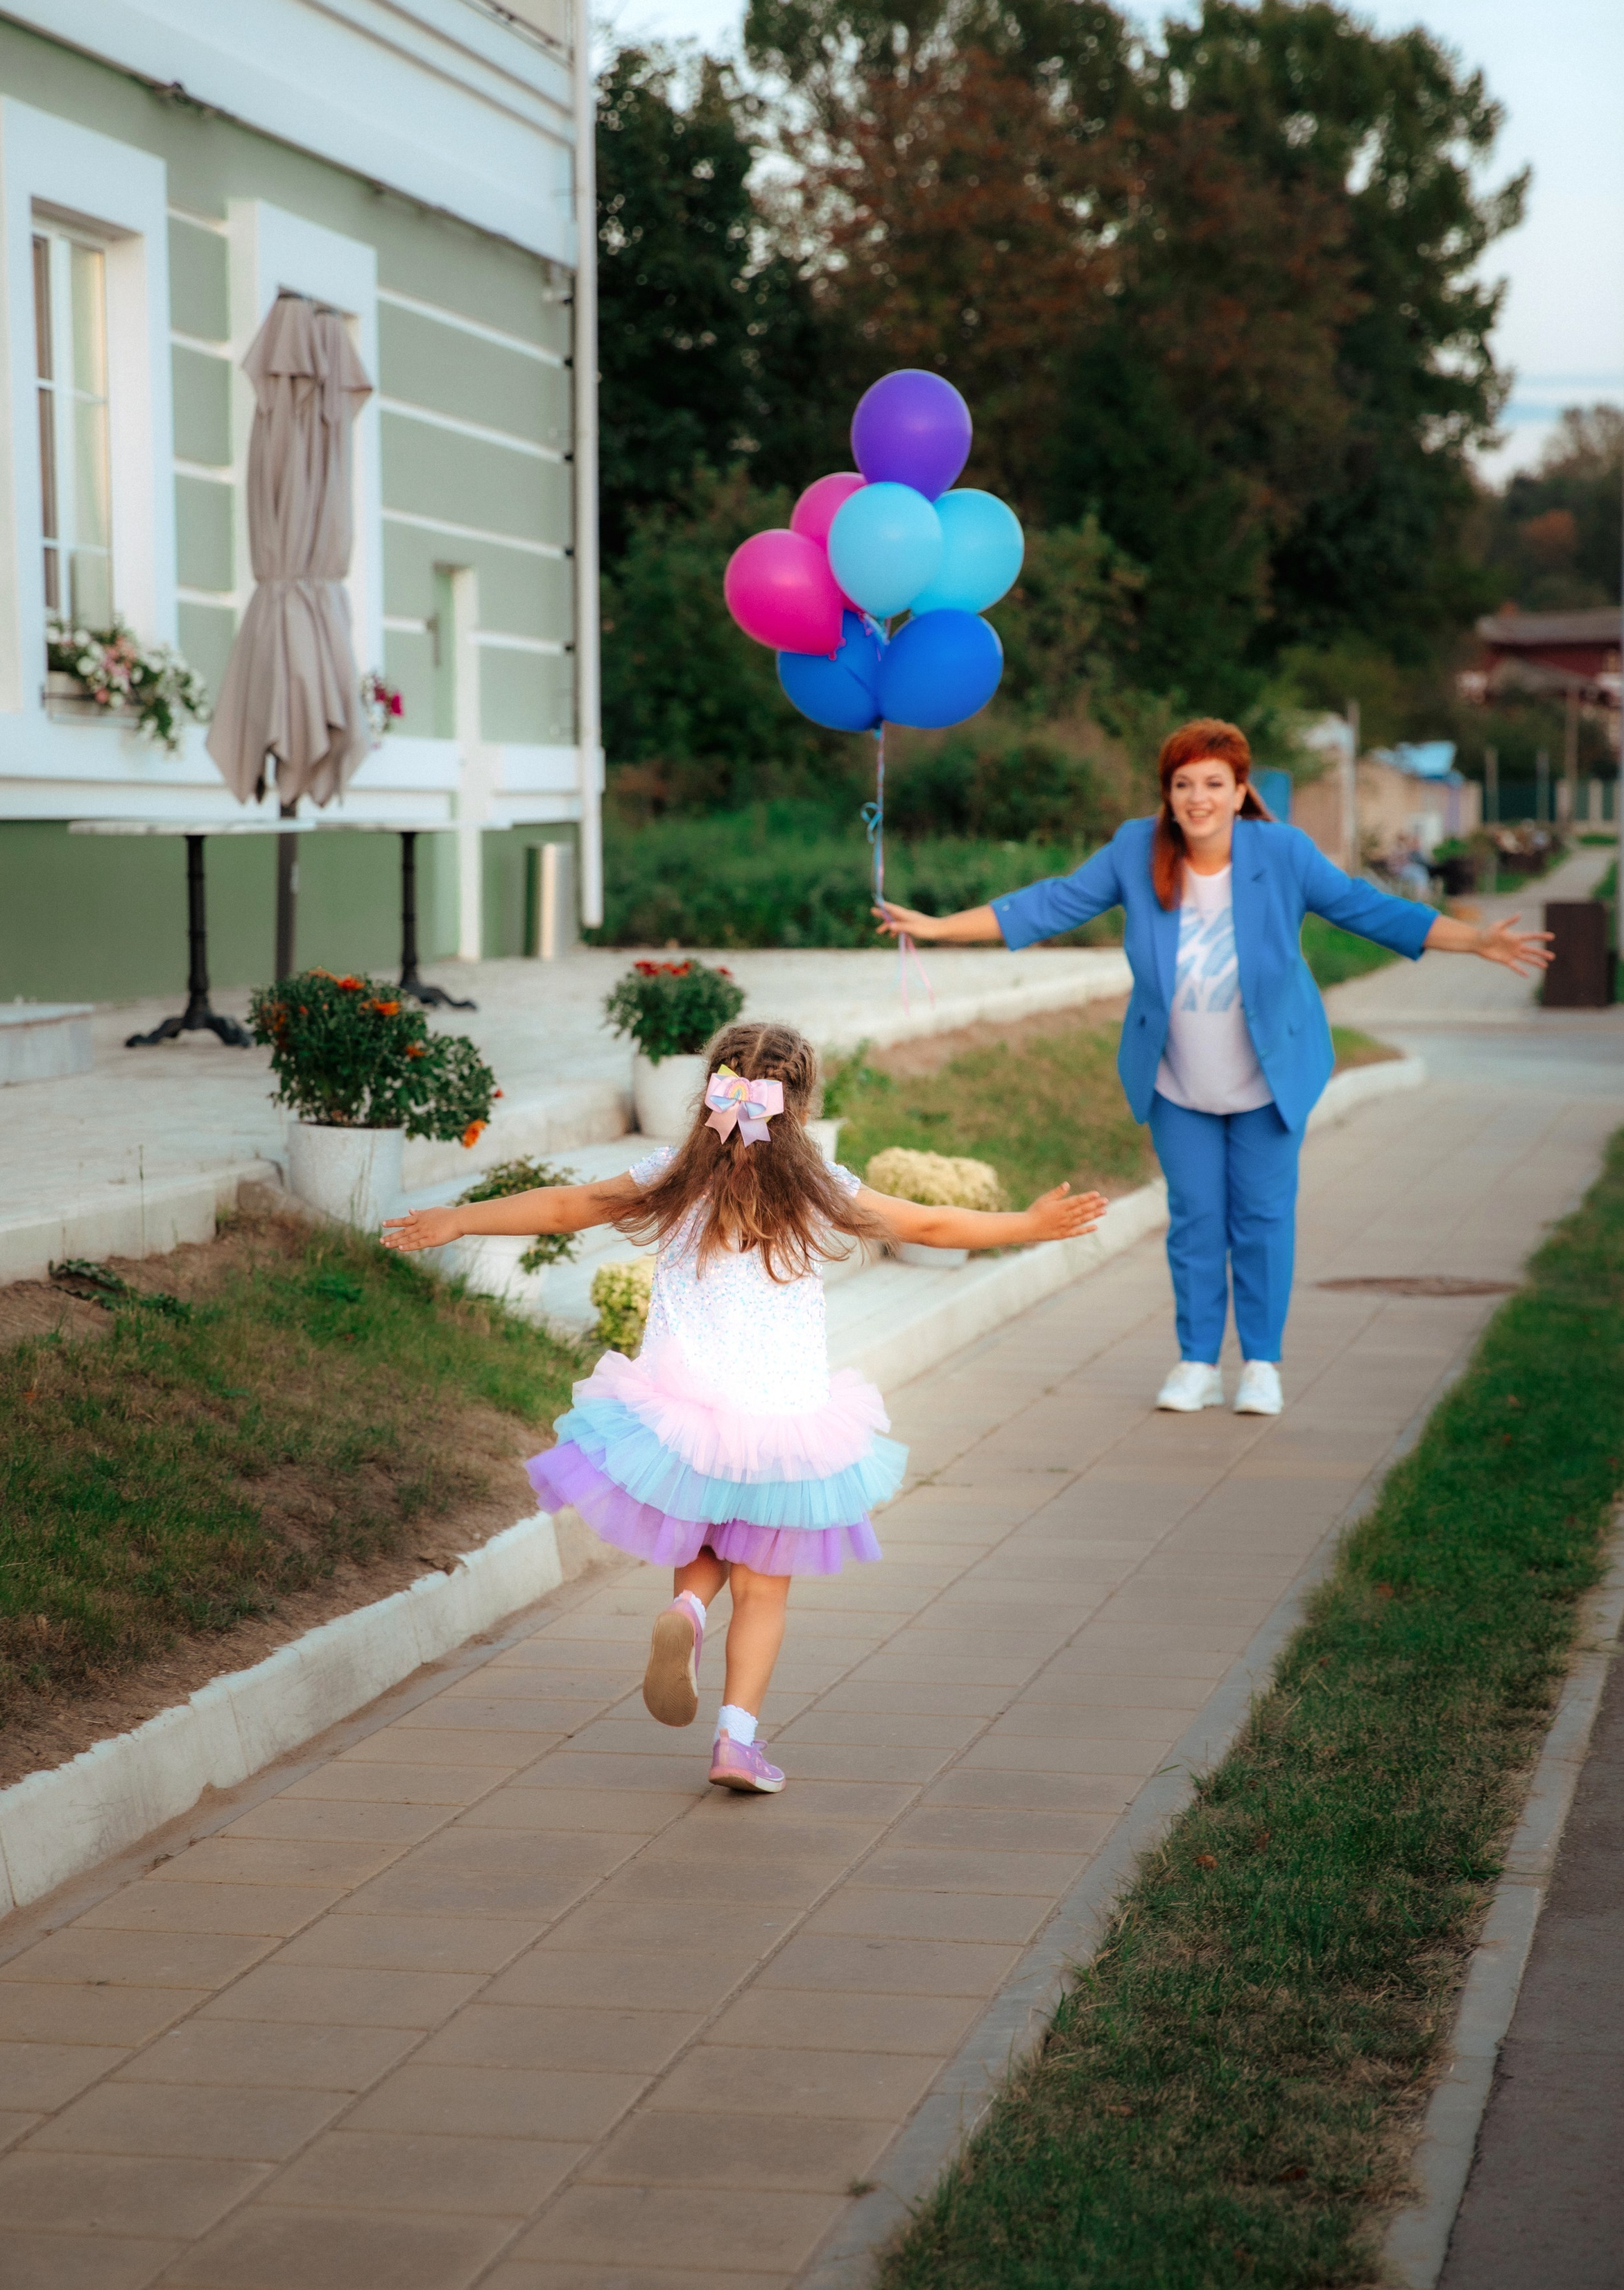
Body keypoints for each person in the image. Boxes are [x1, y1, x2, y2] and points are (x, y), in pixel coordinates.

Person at [383, 1019, 1105, 1795]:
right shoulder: (819, 1182)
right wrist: (1028, 1225)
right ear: (798, 1105)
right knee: (764, 1587)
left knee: (700, 1538)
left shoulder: (674, 1172)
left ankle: (689, 1613)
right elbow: (925, 1224)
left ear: (711, 1091)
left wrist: (457, 1219)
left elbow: (568, 1207)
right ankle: (736, 1741)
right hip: (783, 1424)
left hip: (682, 1417)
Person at [876, 718, 1552, 1420]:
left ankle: (1260, 1365)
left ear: (1239, 792)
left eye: (1212, 784)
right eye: (1182, 784)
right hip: (1176, 1080)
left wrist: (1474, 939)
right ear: (1167, 795)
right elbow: (1052, 903)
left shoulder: (1282, 852)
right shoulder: (1136, 850)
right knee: (1195, 1219)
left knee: (1261, 1220)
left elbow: (1364, 909)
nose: (1197, 798)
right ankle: (1196, 1362)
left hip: (1266, 1078)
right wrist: (937, 926)